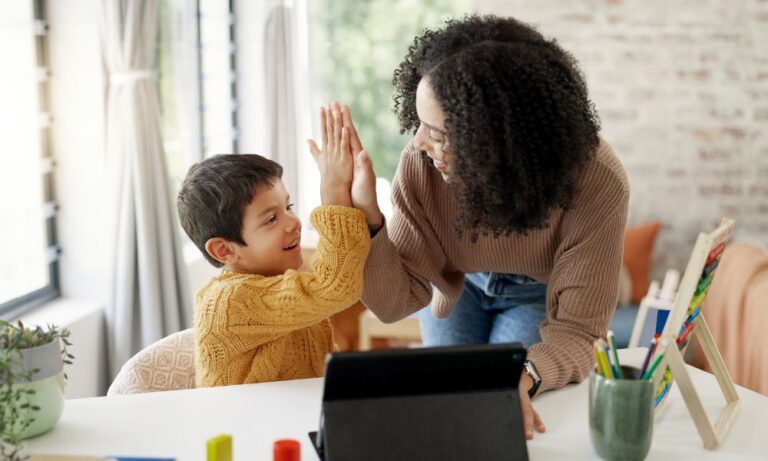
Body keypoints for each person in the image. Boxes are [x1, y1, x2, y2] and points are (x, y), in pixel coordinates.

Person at [341, 15, 630, 439]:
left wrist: (527, 373)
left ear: (498, 141)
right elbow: (393, 303)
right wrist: (367, 215)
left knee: (496, 409)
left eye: (439, 133)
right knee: (451, 410)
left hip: (538, 294)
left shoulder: (596, 180)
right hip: (457, 287)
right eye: (420, 125)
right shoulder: (421, 165)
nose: (420, 144)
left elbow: (577, 332)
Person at [177, 107, 370, 387]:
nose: (293, 221)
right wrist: (334, 192)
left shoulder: (279, 276)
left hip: (294, 419)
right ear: (225, 250)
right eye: (271, 219)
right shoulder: (230, 301)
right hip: (247, 429)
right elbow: (336, 287)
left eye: (288, 206)